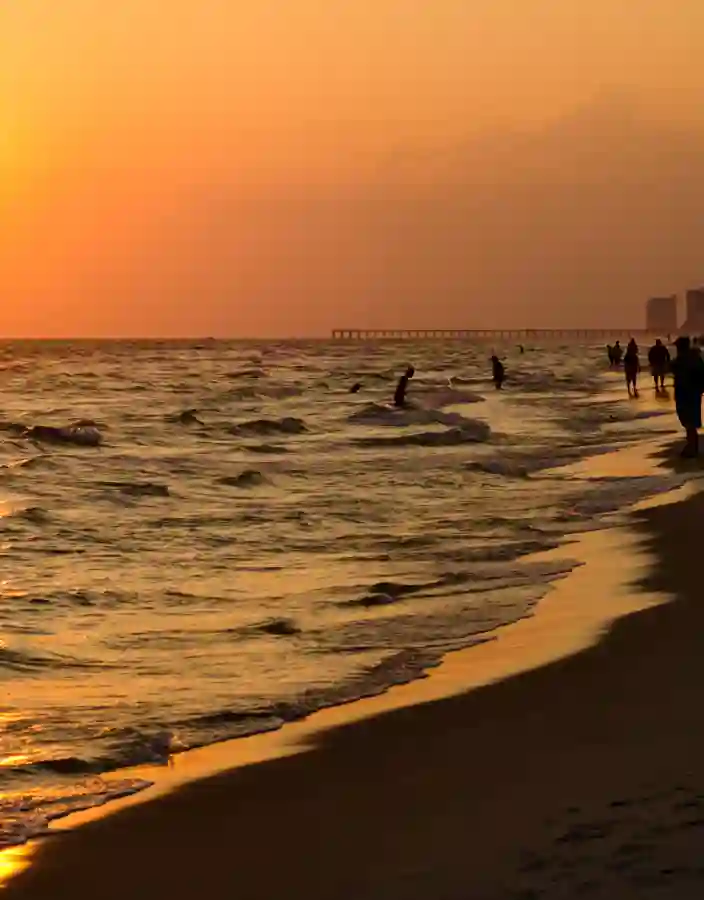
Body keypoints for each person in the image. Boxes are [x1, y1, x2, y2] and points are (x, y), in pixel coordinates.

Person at [671, 336, 704, 457]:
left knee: (688, 421)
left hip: (686, 393)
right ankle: (692, 446)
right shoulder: (694, 358)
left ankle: (692, 447)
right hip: (693, 394)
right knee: (690, 421)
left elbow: (672, 367)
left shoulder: (684, 359)